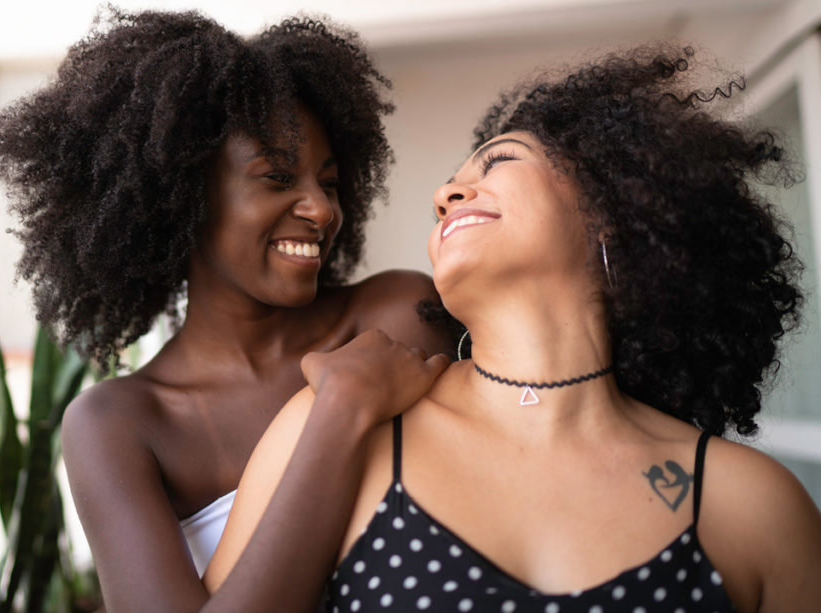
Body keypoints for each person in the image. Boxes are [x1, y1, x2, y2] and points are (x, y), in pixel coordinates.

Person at [206, 44, 821, 611]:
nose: (447, 193)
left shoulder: (752, 505)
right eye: (448, 188)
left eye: (497, 161)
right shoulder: (339, 426)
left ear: (609, 211)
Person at [0, 7, 454, 612]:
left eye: (328, 183)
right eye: (279, 179)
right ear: (183, 200)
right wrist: (339, 408)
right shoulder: (119, 425)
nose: (322, 209)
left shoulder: (396, 316)